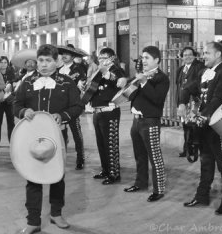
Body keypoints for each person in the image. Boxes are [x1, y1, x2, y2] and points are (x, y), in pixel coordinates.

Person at [14, 44, 84, 234]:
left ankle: (56, 213)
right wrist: (23, 111)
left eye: (48, 60)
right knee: (33, 178)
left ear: (57, 61)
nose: (43, 65)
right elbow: (16, 103)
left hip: (57, 135)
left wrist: (63, 115)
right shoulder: (27, 82)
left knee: (57, 176)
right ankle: (33, 220)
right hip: (32, 137)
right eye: (41, 60)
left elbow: (78, 106)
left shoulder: (67, 82)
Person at [183, 41, 222, 215]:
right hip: (204, 126)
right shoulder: (204, 72)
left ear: (218, 54)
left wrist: (202, 116)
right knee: (205, 163)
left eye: (207, 53)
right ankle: (202, 196)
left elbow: (218, 99)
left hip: (219, 126)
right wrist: (181, 103)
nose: (203, 56)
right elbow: (189, 87)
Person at [123, 46, 169, 202]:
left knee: (154, 156)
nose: (143, 61)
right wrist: (129, 83)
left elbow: (157, 98)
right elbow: (130, 95)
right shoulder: (142, 76)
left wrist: (144, 83)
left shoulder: (161, 78)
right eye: (142, 58)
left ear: (156, 60)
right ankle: (140, 182)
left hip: (150, 121)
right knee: (139, 155)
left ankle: (159, 189)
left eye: (147, 58)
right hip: (136, 121)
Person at [89, 47, 126, 184]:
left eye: (104, 58)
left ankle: (114, 173)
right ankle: (105, 169)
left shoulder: (116, 70)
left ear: (111, 58)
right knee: (101, 144)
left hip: (110, 112)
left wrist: (107, 73)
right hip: (97, 111)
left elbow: (120, 82)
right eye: (100, 58)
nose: (101, 60)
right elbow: (93, 89)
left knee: (110, 144)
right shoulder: (99, 71)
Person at [58, 44, 87, 170]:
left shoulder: (78, 69)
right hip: (60, 106)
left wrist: (81, 84)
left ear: (73, 56)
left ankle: (80, 158)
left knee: (76, 132)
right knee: (61, 133)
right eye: (63, 54)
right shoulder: (58, 70)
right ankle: (61, 157)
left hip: (73, 106)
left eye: (67, 54)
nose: (64, 56)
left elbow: (83, 83)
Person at [176, 47, 205, 157]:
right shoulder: (181, 69)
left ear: (194, 55)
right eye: (185, 55)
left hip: (194, 101)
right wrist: (179, 102)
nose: (187, 57)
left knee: (193, 126)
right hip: (183, 102)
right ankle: (187, 148)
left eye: (190, 54)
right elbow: (178, 87)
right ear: (182, 57)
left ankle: (193, 148)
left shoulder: (199, 67)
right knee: (185, 125)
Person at [0, 56, 17, 147]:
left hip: (9, 101)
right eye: (1, 62)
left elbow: (15, 83)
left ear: (7, 64)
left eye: (5, 62)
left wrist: (11, 84)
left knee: (11, 122)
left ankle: (11, 141)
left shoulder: (11, 73)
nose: (3, 64)